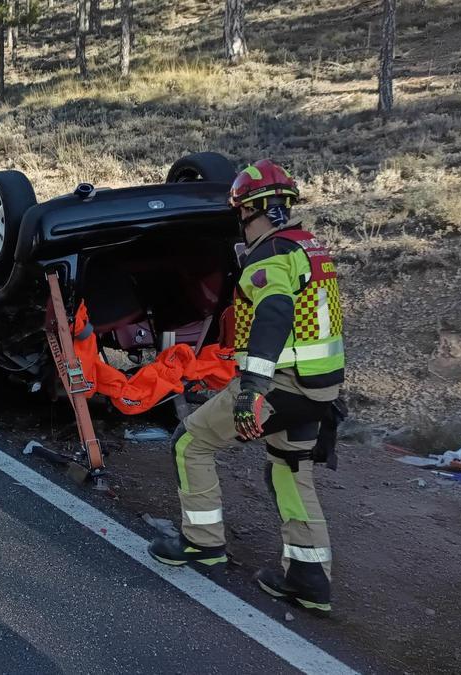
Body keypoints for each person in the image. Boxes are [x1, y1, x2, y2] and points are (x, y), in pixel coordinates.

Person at [148, 160, 345, 615]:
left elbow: (275, 311)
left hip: (281, 385)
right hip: (318, 390)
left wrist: (252, 387)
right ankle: (309, 579)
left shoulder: (270, 255)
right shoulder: (310, 248)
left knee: (189, 444)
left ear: (254, 210)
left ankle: (201, 544)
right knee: (290, 468)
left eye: (241, 214)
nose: (241, 223)